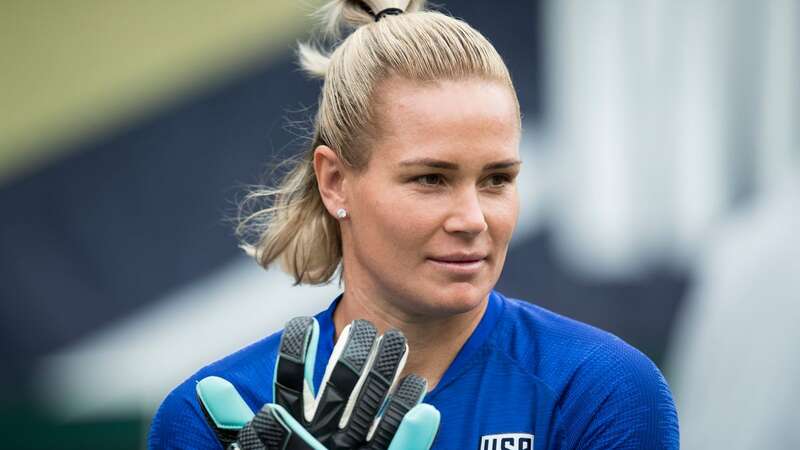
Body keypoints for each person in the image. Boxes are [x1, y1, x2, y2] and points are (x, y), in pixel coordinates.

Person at [148, 1, 679, 448]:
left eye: (496, 179)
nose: (473, 219)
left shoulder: (602, 390)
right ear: (335, 181)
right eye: (430, 179)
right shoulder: (213, 416)